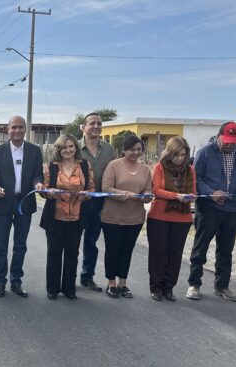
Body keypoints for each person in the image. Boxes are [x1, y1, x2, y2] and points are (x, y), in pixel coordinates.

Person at [187, 122, 236, 301]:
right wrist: (211, 193)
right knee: (200, 247)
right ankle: (194, 284)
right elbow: (197, 178)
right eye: (226, 141)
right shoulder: (205, 152)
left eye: (233, 142)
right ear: (218, 136)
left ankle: (222, 286)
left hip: (232, 208)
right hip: (208, 208)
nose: (229, 145)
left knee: (226, 250)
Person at [0, 115, 44, 297]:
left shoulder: (34, 151)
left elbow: (37, 174)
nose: (17, 130)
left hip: (24, 203)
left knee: (20, 245)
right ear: (8, 129)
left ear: (25, 128)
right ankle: (0, 281)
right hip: (3, 203)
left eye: (21, 127)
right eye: (14, 127)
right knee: (1, 245)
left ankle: (16, 281)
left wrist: (38, 184)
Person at [39, 134, 94, 300]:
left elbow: (92, 188)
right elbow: (44, 191)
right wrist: (48, 192)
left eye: (71, 146)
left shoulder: (84, 165)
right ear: (58, 149)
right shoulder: (52, 167)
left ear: (75, 148)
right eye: (64, 147)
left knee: (72, 254)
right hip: (55, 217)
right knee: (54, 253)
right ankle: (52, 288)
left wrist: (86, 194)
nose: (68, 150)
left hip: (76, 217)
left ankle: (69, 288)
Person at [100, 135, 153, 299]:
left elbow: (148, 188)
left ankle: (123, 283)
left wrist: (147, 195)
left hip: (135, 218)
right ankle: (111, 283)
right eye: (132, 149)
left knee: (127, 251)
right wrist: (127, 194)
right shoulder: (114, 166)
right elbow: (106, 188)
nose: (136, 152)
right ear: (124, 150)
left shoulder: (145, 169)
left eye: (139, 149)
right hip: (113, 217)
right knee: (113, 250)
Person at [147, 137, 196, 302]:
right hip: (159, 216)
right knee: (158, 253)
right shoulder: (160, 167)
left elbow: (194, 191)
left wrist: (191, 197)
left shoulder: (190, 170)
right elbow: (156, 190)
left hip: (182, 218)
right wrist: (176, 196)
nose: (180, 158)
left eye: (183, 155)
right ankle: (156, 287)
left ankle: (169, 288)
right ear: (169, 153)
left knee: (175, 254)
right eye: (177, 155)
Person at [78, 113, 116, 292]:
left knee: (91, 241)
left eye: (99, 123)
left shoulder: (109, 149)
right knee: (72, 240)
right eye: (92, 123)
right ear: (83, 127)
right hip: (77, 201)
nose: (96, 126)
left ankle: (87, 276)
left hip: (100, 202)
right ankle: (68, 276)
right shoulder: (74, 147)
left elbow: (115, 173)